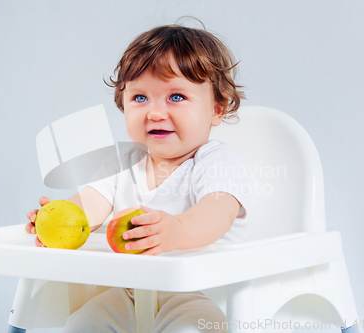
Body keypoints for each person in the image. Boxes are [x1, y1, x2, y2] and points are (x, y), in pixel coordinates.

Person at [25, 19, 249, 333]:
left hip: (199, 294)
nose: (155, 113)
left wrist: (178, 230)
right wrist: (58, 221)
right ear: (123, 104)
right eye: (140, 98)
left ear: (216, 108)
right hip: (128, 292)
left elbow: (218, 211)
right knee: (80, 325)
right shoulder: (121, 161)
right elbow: (90, 206)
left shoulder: (216, 162)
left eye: (176, 97)